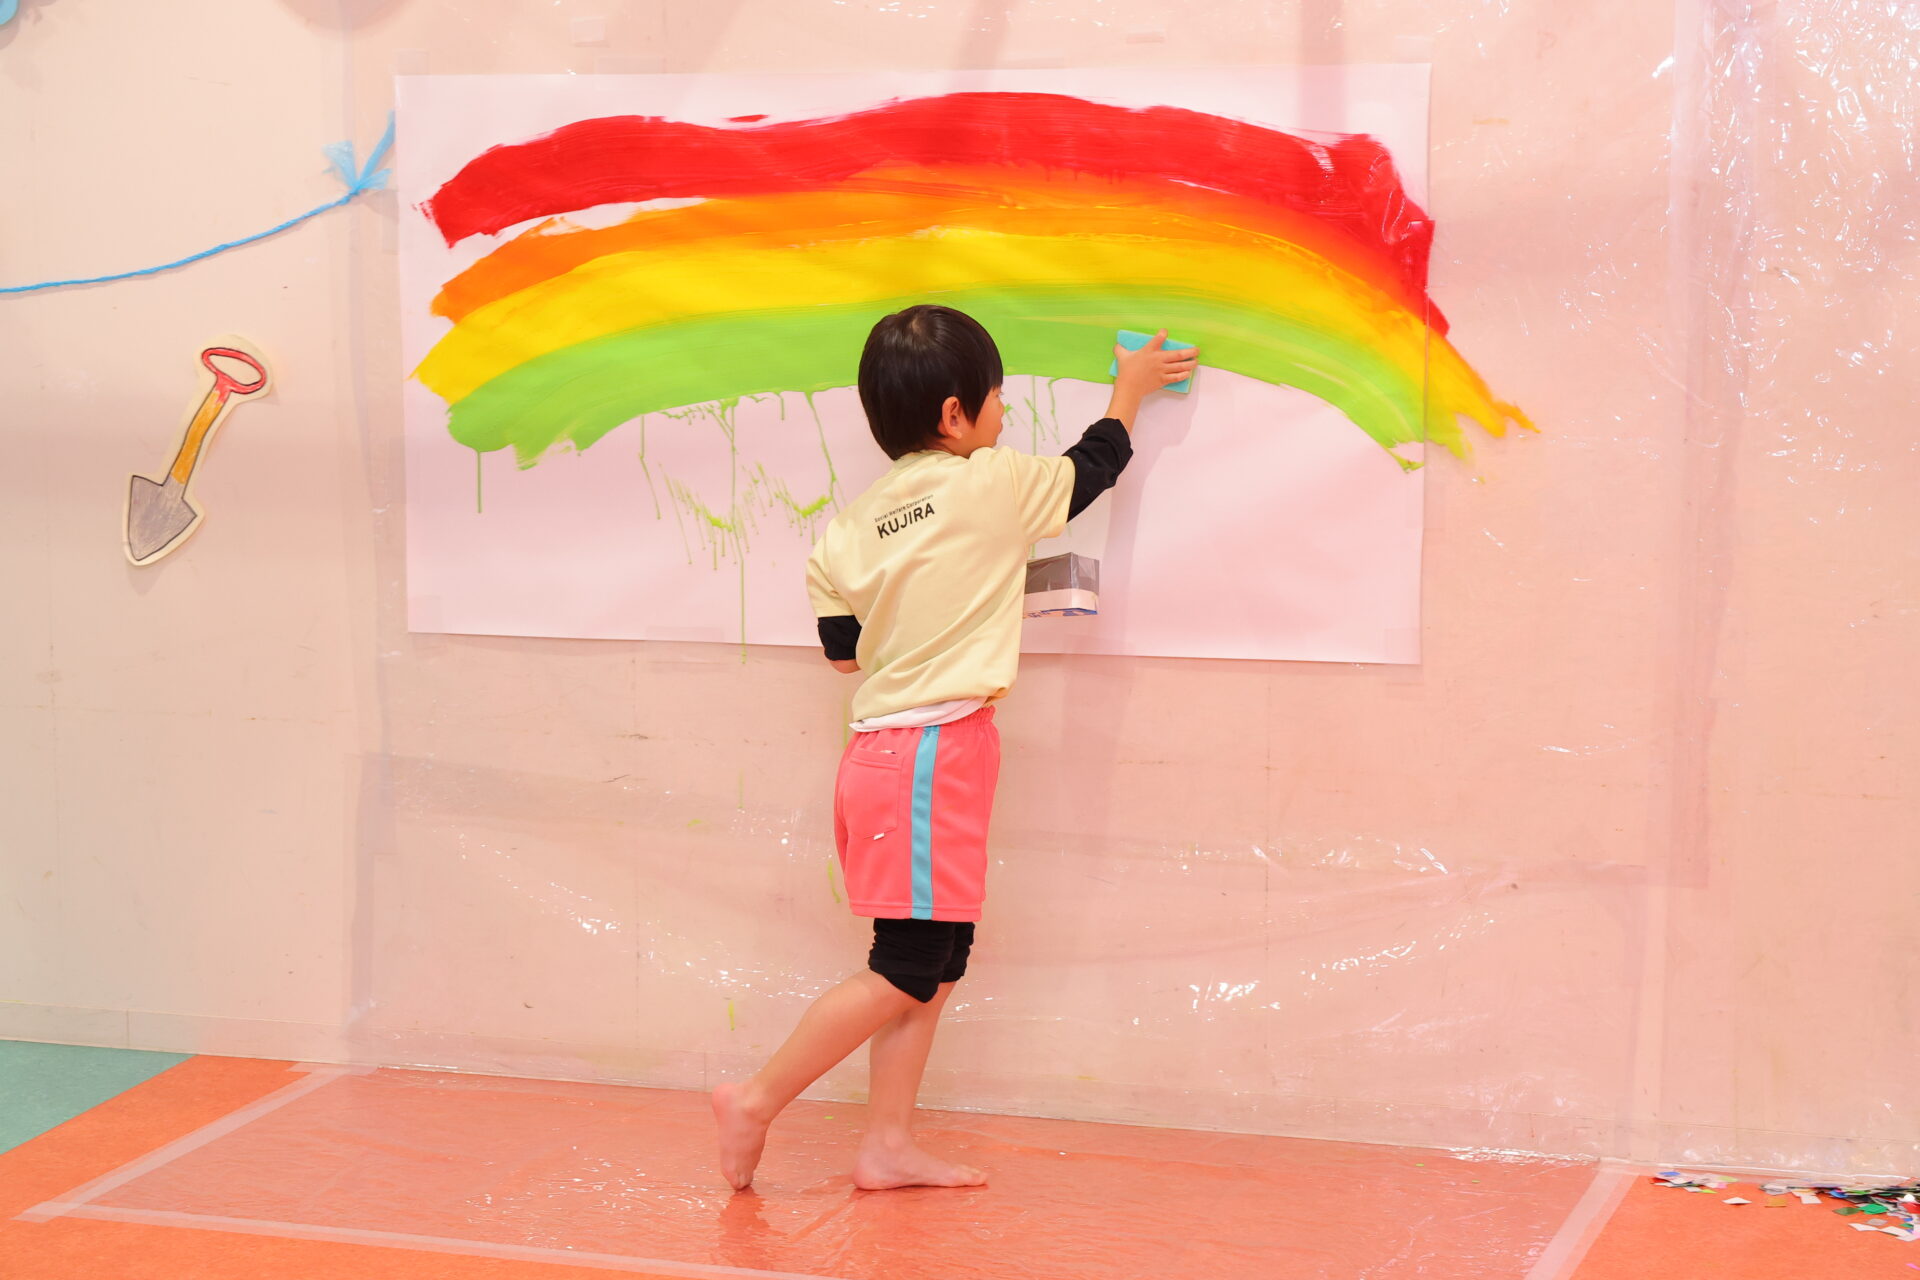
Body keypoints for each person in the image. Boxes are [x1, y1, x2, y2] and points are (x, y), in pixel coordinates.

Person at [713, 305, 1197, 1191]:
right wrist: (1129, 388)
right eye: (999, 400)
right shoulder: (991, 482)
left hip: (906, 753)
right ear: (953, 415)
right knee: (906, 966)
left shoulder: (847, 529)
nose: (1004, 414)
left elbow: (843, 653)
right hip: (926, 755)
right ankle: (755, 1100)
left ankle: (887, 1145)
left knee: (938, 962)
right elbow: (1092, 468)